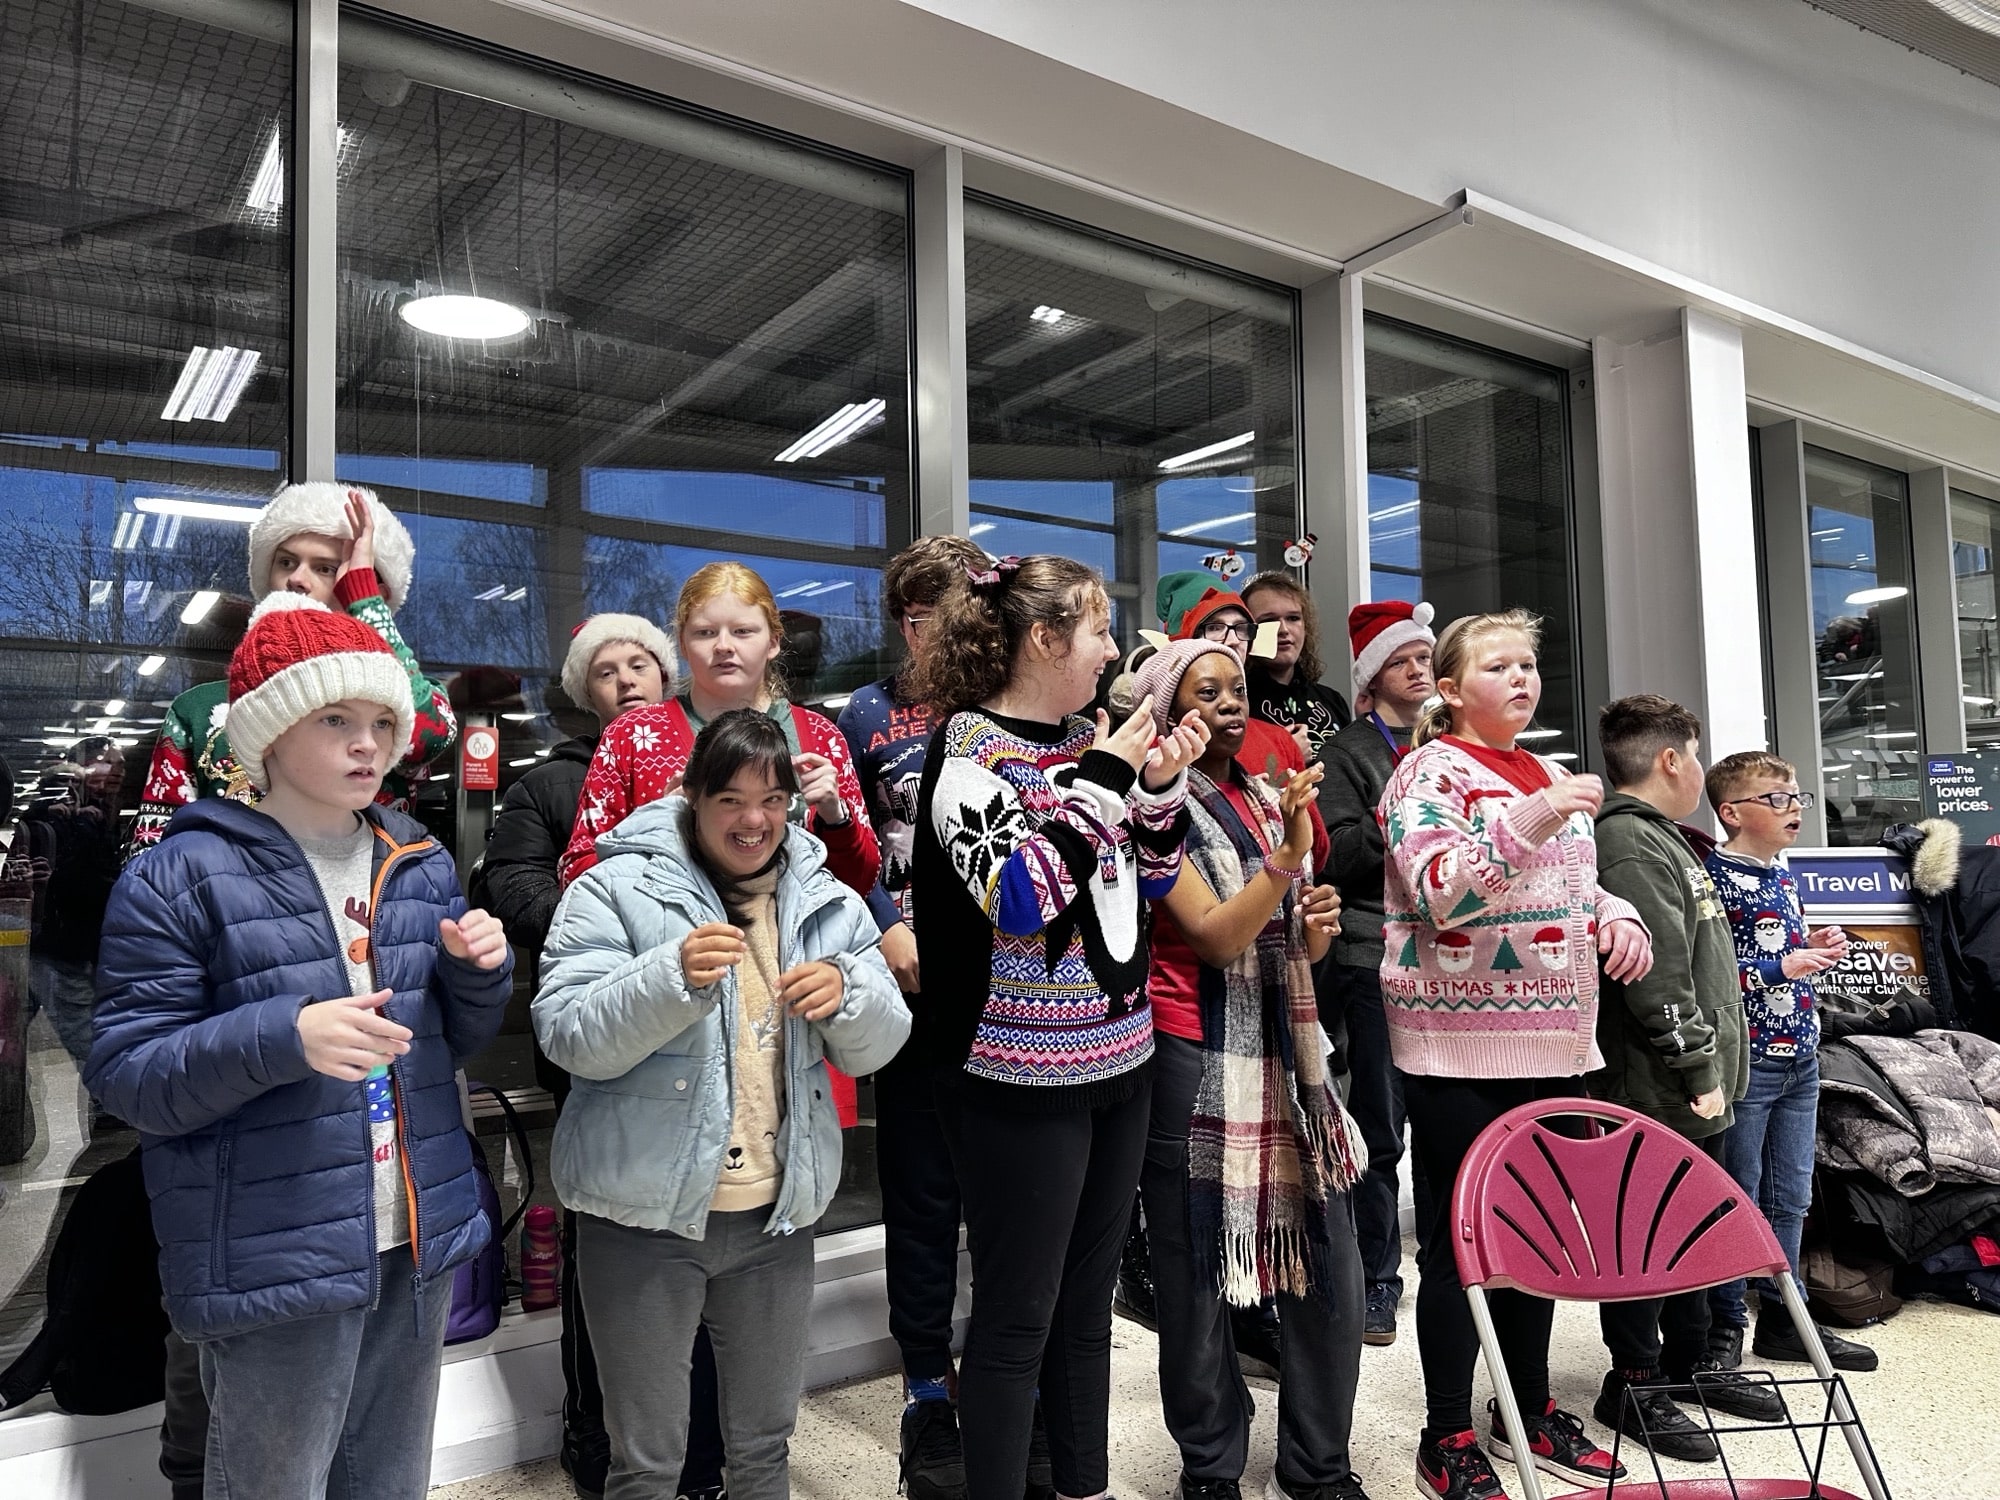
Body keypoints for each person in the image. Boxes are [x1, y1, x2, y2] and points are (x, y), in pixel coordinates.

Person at [85, 593, 514, 1500]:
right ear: (270, 734)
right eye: (335, 719)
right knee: (274, 1482)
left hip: (413, 1228)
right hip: (271, 1249)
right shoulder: (180, 876)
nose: (369, 743)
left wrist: (481, 975)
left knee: (389, 1480)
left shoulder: (420, 859)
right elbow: (127, 1075)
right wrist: (284, 1037)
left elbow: (444, 1047)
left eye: (383, 721)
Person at [533, 710, 910, 1500]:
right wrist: (668, 977)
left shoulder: (826, 900)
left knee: (766, 1452)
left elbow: (881, 1042)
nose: (753, 820)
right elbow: (568, 1035)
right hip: (641, 1224)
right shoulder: (612, 887)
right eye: (731, 799)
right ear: (691, 795)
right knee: (646, 1463)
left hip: (775, 1219)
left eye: (772, 800)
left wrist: (848, 996)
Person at [910, 553, 1206, 1500]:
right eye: (1098, 631)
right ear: (1044, 639)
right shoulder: (966, 757)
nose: (1113, 651)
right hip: (1015, 1082)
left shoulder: (1088, 742)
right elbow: (1022, 896)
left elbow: (1150, 875)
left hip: (1119, 1060)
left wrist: (1158, 786)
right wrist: (1110, 780)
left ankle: (1082, 1486)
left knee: (1087, 1311)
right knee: (1015, 1318)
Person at [1379, 608, 1649, 1500]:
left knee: (1540, 1240)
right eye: (1498, 667)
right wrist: (1537, 813)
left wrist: (1616, 914)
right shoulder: (1428, 769)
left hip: (1557, 1041)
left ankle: (1526, 1408)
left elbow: (1573, 884)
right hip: (1459, 1049)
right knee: (1463, 1250)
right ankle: (1447, 1429)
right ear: (1450, 691)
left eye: (1529, 664)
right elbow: (1442, 895)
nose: (1522, 679)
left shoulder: (1543, 769)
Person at [478, 614, 725, 1500]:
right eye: (606, 670)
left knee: (708, 1240)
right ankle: (598, 1433)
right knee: (607, 1243)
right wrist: (614, 940)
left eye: (640, 663)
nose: (626, 679)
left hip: (719, 1042)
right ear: (585, 692)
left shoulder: (716, 766)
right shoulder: (550, 784)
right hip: (606, 1041)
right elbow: (510, 883)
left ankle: (703, 1443)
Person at [1129, 638, 1371, 1500]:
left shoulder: (1270, 798)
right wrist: (1285, 862)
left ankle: (1318, 1464)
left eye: (1238, 688)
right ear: (1167, 707)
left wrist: (1316, 923)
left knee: (1328, 1263)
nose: (1232, 702)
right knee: (1199, 1279)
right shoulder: (1149, 806)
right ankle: (1211, 1468)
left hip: (1288, 1053)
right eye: (1208, 690)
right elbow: (1216, 935)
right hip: (1191, 1056)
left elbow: (1285, 940)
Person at [1584, 696, 1782, 1464]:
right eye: (1695, 755)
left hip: (1698, 1085)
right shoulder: (1629, 845)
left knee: (1696, 1229)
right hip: (1657, 1087)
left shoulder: (1663, 839)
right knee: (1646, 1235)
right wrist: (1699, 1064)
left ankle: (1686, 1367)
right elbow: (1656, 978)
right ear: (1671, 760)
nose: (1698, 769)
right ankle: (1634, 1382)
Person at [835, 533, 991, 1500]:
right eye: (946, 615)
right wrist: (888, 923)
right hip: (911, 989)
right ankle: (927, 1389)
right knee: (924, 1198)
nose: (968, 633)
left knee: (1014, 1195)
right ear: (910, 621)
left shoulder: (1008, 710)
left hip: (1014, 992)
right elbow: (845, 845)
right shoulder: (869, 712)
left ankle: (1022, 1378)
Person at [129, 481, 456, 853]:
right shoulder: (200, 710)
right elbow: (153, 857)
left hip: (364, 902)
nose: (297, 580)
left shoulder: (395, 701)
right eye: (286, 562)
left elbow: (427, 737)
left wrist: (364, 599)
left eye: (326, 569)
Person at [1701, 751, 1877, 1373]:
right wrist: (1785, 965)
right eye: (1775, 800)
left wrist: (1810, 948)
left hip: (1800, 1056)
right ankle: (1724, 1325)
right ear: (1732, 813)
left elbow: (1778, 948)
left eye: (1797, 797)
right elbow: (1713, 976)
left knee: (1791, 1197)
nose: (1793, 809)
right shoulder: (1716, 879)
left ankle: (1787, 1319)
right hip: (1749, 1061)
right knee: (1738, 1195)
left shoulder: (1781, 872)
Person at [558, 561, 878, 896]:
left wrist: (836, 819)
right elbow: (577, 873)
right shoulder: (632, 736)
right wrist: (660, 829)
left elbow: (863, 881)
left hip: (802, 946)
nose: (724, 645)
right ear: (682, 645)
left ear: (773, 643)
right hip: (676, 943)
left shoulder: (821, 737)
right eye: (705, 633)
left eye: (743, 631)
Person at [1316, 599, 1437, 1350]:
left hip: (1456, 963)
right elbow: (1340, 855)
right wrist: (1412, 792)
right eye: (1404, 661)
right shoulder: (1349, 753)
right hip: (1375, 956)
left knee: (1454, 1125)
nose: (1420, 669)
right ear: (1373, 678)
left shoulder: (1456, 745)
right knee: (1381, 1131)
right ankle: (1377, 1280)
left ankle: (1464, 1262)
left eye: (1426, 657)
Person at [1240, 570, 1352, 760]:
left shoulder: (1332, 700)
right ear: (1247, 630)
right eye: (1268, 621)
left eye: (1293, 618)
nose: (1283, 630)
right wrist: (1286, 755)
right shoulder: (1236, 704)